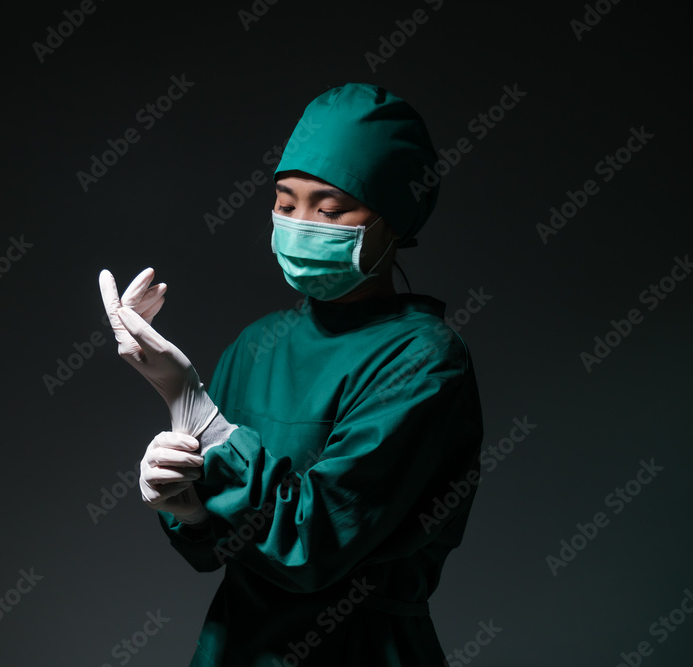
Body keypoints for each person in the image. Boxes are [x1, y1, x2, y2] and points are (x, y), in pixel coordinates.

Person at [98, 82, 484, 666]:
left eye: (330, 209)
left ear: (393, 220)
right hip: (236, 648)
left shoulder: (424, 359)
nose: (302, 223)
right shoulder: (258, 345)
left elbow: (313, 545)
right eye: (285, 202)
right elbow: (220, 549)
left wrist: (194, 403)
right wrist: (187, 507)